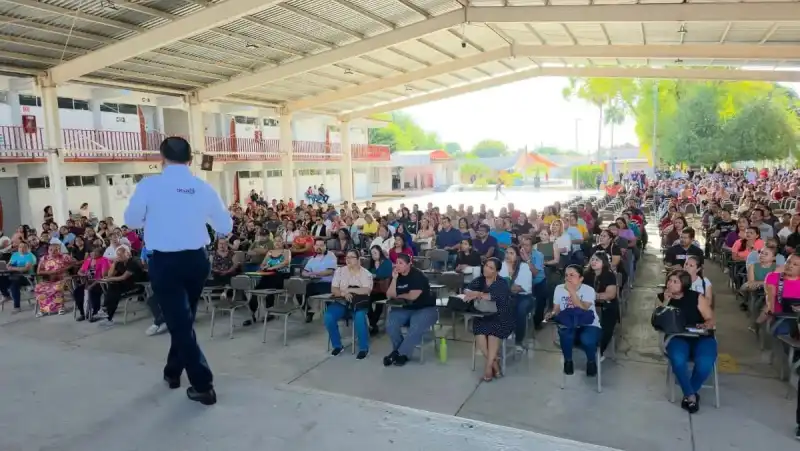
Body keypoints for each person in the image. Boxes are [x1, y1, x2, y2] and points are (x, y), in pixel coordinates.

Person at [124, 136, 233, 406]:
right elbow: (225, 226)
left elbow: (131, 221)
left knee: (180, 323)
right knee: (183, 320)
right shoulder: (203, 187)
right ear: (191, 159)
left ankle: (203, 385)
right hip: (197, 261)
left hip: (166, 262)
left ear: (161, 159)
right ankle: (172, 372)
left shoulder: (149, 185)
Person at [660, 269, 716, 414]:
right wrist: (665, 302)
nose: (670, 284)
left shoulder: (697, 297)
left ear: (684, 284)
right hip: (677, 337)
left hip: (701, 337)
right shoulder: (663, 297)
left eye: (675, 282)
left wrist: (706, 325)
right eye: (669, 280)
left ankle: (689, 392)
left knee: (705, 364)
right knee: (678, 360)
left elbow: (710, 320)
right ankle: (691, 396)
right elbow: (657, 321)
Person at [384, 253, 438, 367]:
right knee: (390, 324)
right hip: (405, 308)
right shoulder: (396, 275)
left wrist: (398, 296)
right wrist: (394, 279)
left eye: (401, 263)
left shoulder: (418, 276)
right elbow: (389, 295)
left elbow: (412, 296)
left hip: (425, 309)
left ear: (409, 264)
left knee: (416, 326)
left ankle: (399, 354)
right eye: (396, 263)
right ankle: (401, 353)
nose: (397, 265)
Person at [546, 264, 601, 377]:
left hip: (588, 324)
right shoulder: (559, 288)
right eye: (566, 275)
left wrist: (572, 292)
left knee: (587, 339)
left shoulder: (588, 290)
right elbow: (557, 309)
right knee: (565, 333)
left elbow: (583, 308)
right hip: (569, 323)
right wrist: (551, 314)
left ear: (581, 278)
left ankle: (591, 361)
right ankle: (568, 361)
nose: (568, 278)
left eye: (572, 275)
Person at [465, 257, 514, 381]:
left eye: (491, 268)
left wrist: (478, 294)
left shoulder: (501, 283)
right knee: (479, 330)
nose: (486, 269)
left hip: (501, 316)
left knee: (493, 331)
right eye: (486, 265)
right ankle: (494, 364)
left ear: (496, 272)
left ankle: (488, 368)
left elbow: (492, 296)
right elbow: (467, 290)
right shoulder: (480, 280)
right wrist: (472, 293)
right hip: (483, 316)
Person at [325, 250, 374, 359]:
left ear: (358, 259)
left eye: (351, 257)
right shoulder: (340, 271)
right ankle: (337, 346)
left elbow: (366, 290)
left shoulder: (366, 273)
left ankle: (363, 348)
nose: (348, 260)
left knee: (360, 317)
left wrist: (350, 290)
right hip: (342, 301)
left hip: (358, 303)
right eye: (347, 257)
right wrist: (344, 293)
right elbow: (334, 289)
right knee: (328, 316)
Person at [582, 252, 618, 360]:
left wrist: (592, 296)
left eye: (597, 260)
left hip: (606, 307)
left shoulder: (610, 275)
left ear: (604, 263)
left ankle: (599, 351)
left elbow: (610, 295)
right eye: (592, 259)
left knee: (606, 328)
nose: (593, 262)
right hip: (588, 305)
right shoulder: (586, 274)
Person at [498, 246, 533, 353]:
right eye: (507, 252)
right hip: (507, 295)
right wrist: (509, 288)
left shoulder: (524, 267)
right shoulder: (501, 266)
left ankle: (518, 341)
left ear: (517, 256)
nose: (508, 255)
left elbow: (521, 288)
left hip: (524, 296)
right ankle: (504, 332)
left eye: (511, 253)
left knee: (520, 310)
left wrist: (508, 287)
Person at [300, 238, 338, 322]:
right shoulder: (312, 258)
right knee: (300, 291)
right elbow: (304, 272)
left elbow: (330, 271)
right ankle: (309, 311)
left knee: (315, 288)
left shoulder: (330, 255)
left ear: (325, 246)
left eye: (321, 245)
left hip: (328, 283)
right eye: (317, 245)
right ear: (314, 246)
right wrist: (309, 274)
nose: (319, 247)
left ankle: (330, 314)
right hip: (314, 282)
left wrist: (315, 273)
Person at [34, 238, 74, 316]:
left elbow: (73, 263)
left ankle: (60, 307)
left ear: (59, 250)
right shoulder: (44, 258)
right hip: (48, 279)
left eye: (56, 250)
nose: (53, 252)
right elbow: (39, 271)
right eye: (51, 250)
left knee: (57, 287)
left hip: (62, 278)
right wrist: (50, 272)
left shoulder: (64, 257)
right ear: (48, 250)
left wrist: (64, 269)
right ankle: (44, 309)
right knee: (38, 287)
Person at [74, 247, 111, 321]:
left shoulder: (104, 260)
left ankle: (96, 313)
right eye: (92, 252)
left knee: (93, 291)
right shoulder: (88, 260)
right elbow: (79, 271)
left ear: (101, 253)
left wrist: (92, 285)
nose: (93, 253)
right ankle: (83, 313)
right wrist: (82, 274)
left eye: (96, 252)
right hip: (88, 282)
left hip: (100, 283)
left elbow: (103, 276)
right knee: (77, 292)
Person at [0, 242, 36, 313]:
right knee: (1, 278)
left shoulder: (30, 256)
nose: (22, 249)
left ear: (28, 248)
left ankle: (17, 306)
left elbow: (25, 269)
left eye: (24, 247)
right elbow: (8, 265)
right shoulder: (15, 255)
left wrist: (12, 268)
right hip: (13, 275)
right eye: (20, 247)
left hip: (26, 277)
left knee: (14, 283)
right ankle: (6, 295)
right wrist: (8, 267)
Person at [366, 245, 393, 335]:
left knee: (379, 304)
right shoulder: (371, 263)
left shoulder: (387, 262)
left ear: (380, 252)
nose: (373, 255)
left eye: (375, 253)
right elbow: (367, 274)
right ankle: (373, 324)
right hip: (372, 289)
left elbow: (387, 274)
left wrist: (375, 275)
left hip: (383, 289)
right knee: (366, 301)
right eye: (372, 253)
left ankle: (372, 325)